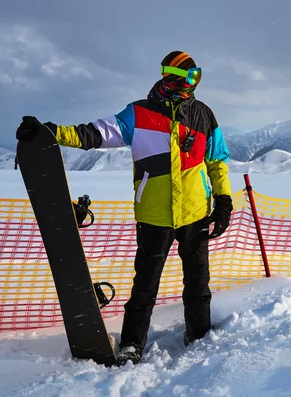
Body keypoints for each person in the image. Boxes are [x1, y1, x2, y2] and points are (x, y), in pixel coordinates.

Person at [15, 51, 233, 366]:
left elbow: (217, 161)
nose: (191, 84)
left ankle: (199, 335)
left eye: (196, 76)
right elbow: (92, 134)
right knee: (144, 287)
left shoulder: (202, 114)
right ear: (168, 76)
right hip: (154, 217)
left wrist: (224, 200)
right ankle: (132, 344)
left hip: (195, 213)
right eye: (187, 76)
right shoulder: (138, 114)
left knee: (199, 283)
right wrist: (49, 132)